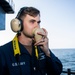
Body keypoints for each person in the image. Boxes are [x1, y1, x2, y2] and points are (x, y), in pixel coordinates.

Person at [0, 6, 63, 75]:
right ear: (19, 25)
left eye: (38, 22)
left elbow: (57, 71)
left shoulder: (42, 48)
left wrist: (47, 52)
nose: (37, 26)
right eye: (32, 22)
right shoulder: (3, 52)